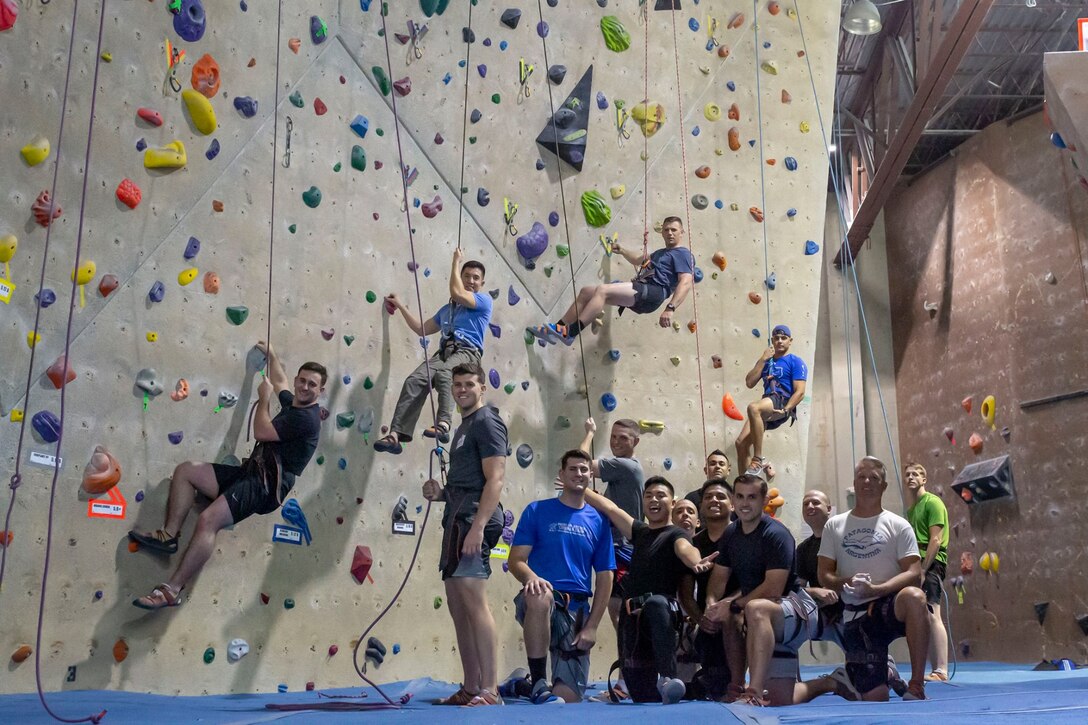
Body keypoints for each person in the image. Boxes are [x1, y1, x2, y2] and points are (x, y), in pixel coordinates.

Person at [129, 342, 325, 610]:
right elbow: (280, 381)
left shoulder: (308, 419)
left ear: (320, 391)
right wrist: (273, 354)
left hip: (265, 486)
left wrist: (264, 398)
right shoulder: (296, 405)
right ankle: (169, 535)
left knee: (208, 521)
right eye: (302, 380)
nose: (304, 387)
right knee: (186, 471)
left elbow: (262, 432)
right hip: (252, 472)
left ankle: (172, 590)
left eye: (312, 384)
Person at [583, 477, 717, 704]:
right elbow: (609, 507)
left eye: (661, 496)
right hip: (632, 618)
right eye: (649, 496)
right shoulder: (639, 531)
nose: (654, 500)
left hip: (661, 613)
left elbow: (686, 549)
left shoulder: (677, 534)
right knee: (643, 696)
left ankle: (667, 676)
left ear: (672, 503)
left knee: (655, 603)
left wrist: (696, 562)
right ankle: (671, 688)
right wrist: (579, 486)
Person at [421, 362, 508, 706]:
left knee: (475, 603)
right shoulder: (464, 426)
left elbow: (496, 479)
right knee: (458, 608)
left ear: (482, 387)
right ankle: (471, 685)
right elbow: (468, 479)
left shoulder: (487, 422)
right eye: (457, 384)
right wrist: (439, 493)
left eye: (469, 384)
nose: (462, 389)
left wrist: (478, 527)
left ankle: (491, 689)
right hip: (456, 515)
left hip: (473, 518)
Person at [818, 456, 931, 702]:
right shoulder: (834, 526)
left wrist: (877, 589)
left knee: (915, 597)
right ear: (854, 483)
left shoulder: (899, 525)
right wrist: (847, 582)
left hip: (891, 607)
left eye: (874, 478)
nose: (867, 481)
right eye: (861, 477)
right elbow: (824, 575)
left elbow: (914, 572)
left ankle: (916, 684)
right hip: (857, 615)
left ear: (884, 486)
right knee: (875, 697)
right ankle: (881, 673)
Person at [506, 450, 615, 703]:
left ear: (590, 476)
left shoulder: (598, 521)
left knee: (566, 698)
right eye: (573, 469)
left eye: (584, 469)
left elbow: (605, 576)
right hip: (539, 601)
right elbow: (515, 560)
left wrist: (592, 626)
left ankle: (520, 685)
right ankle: (538, 680)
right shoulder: (537, 511)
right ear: (562, 475)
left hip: (576, 612)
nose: (579, 473)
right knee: (541, 595)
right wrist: (531, 578)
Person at [703, 475, 822, 706]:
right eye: (740, 496)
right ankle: (737, 687)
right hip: (763, 616)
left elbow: (774, 588)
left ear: (764, 500)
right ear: (733, 500)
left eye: (752, 497)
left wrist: (733, 605)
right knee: (779, 699)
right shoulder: (731, 534)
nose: (745, 503)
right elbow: (717, 581)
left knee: (753, 608)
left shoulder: (776, 534)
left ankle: (754, 692)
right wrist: (711, 606)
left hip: (795, 609)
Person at [375, 248, 492, 453]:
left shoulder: (483, 303)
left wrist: (456, 261)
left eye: (476, 278)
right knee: (415, 380)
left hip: (468, 352)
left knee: (447, 373)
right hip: (445, 353)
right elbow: (421, 329)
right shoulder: (447, 311)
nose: (471, 281)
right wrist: (400, 306)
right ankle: (396, 434)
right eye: (466, 276)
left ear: (482, 284)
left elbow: (456, 292)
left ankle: (444, 423)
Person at [527, 216, 694, 345]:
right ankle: (557, 329)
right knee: (586, 292)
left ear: (682, 232)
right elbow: (638, 260)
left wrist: (670, 308)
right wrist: (621, 250)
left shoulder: (682, 254)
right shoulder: (661, 253)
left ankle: (571, 332)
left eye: (673, 230)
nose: (670, 233)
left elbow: (685, 281)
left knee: (602, 291)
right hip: (646, 289)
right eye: (666, 230)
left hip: (654, 291)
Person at [577, 417, 644, 628]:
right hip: (619, 545)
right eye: (613, 437)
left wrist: (589, 433)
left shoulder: (625, 466)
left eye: (623, 438)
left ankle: (630, 657)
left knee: (620, 611)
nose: (615, 442)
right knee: (617, 610)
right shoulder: (625, 469)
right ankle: (627, 657)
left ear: (635, 442)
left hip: (623, 546)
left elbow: (581, 463)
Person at [677, 478, 735, 700]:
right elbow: (685, 591)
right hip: (707, 622)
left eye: (721, 496)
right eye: (708, 497)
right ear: (701, 506)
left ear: (732, 504)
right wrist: (700, 619)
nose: (714, 500)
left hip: (740, 612)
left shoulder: (743, 537)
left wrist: (731, 606)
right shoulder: (694, 545)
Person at [735, 324, 807, 477]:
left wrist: (787, 409)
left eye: (784, 338)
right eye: (776, 338)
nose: (780, 341)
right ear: (772, 340)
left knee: (754, 408)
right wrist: (762, 359)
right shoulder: (766, 362)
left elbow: (800, 392)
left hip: (782, 401)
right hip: (767, 402)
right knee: (741, 443)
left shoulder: (795, 361)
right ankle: (745, 483)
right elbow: (749, 382)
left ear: (790, 341)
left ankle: (757, 457)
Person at [904, 462, 950, 682]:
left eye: (916, 474)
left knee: (933, 612)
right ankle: (933, 668)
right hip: (917, 563)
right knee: (923, 615)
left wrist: (923, 569)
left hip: (930, 562)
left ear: (924, 479)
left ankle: (941, 669)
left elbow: (936, 539)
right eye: (908, 474)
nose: (911, 477)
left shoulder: (932, 503)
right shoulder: (911, 509)